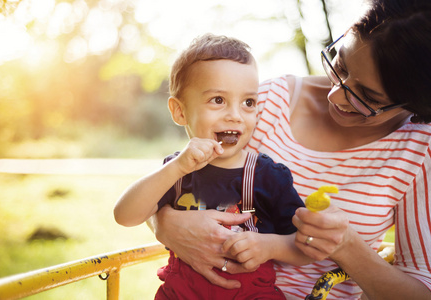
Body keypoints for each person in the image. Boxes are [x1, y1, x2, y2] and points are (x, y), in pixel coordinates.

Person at [148, 0, 431, 299]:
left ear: (413, 105)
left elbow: (420, 290)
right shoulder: (264, 104)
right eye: (341, 65)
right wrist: (165, 224)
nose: (335, 95)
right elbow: (175, 184)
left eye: (367, 97)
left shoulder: (420, 150)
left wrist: (345, 245)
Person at [114, 33, 313, 299]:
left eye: (248, 103)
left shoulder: (267, 175)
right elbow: (124, 216)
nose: (235, 115)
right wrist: (175, 168)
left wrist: (269, 246)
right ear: (180, 112)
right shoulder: (175, 172)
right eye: (218, 100)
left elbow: (304, 246)